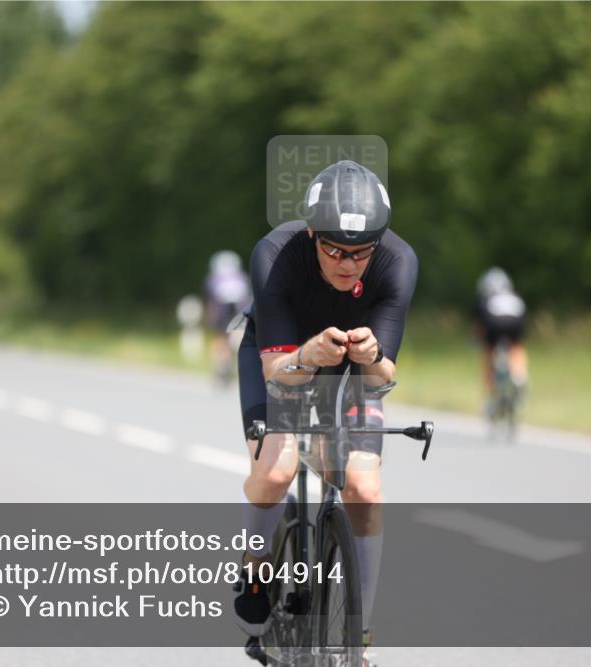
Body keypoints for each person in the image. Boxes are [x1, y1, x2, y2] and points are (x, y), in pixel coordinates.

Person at [233, 160, 418, 654]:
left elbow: (386, 375)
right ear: (312, 232)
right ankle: (254, 572)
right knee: (275, 473)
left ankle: (359, 636)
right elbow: (277, 374)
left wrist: (374, 356)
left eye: (361, 253)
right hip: (282, 358)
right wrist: (307, 354)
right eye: (334, 248)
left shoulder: (398, 260)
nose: (347, 263)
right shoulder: (275, 253)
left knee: (364, 487)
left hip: (352, 370)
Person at [472, 267, 528, 411]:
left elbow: (479, 325)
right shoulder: (514, 295)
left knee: (489, 351)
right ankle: (519, 375)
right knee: (516, 346)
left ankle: (491, 395)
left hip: (494, 323)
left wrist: (477, 340)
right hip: (516, 321)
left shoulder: (485, 298)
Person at [204, 250, 252, 384]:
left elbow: (210, 301)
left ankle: (220, 363)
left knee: (219, 337)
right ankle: (236, 362)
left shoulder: (213, 279)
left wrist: (210, 319)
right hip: (240, 313)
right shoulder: (243, 278)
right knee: (237, 339)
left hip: (221, 313)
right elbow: (249, 299)